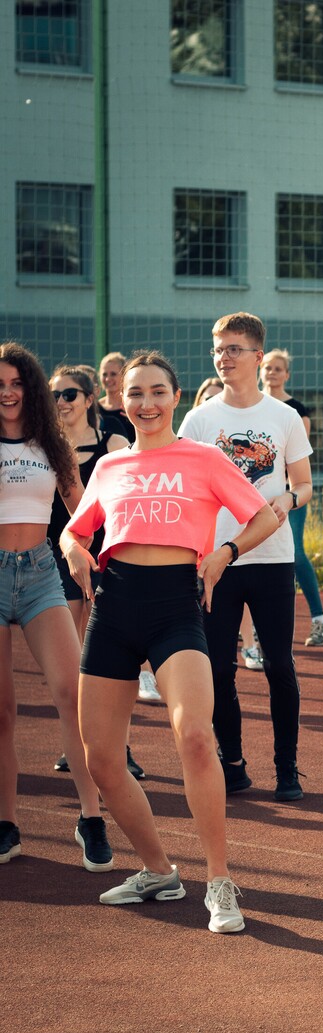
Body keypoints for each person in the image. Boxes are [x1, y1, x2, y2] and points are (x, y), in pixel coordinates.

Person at [60, 351, 279, 932]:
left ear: (176, 398)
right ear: (121, 401)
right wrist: (75, 551)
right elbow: (74, 530)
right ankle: (158, 870)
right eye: (135, 393)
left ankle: (220, 882)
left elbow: (264, 516)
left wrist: (224, 554)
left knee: (196, 736)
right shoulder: (111, 467)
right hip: (115, 605)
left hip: (177, 605)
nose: (146, 403)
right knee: (101, 758)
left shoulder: (204, 458)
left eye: (158, 391)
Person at [178, 313, 313, 802]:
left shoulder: (284, 416)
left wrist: (289, 499)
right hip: (215, 561)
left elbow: (304, 484)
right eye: (218, 349)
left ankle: (287, 768)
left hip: (272, 558)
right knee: (218, 669)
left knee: (279, 665)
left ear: (258, 356)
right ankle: (232, 763)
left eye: (233, 349)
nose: (223, 357)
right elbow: (187, 489)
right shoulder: (199, 419)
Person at [0, 342, 114, 870]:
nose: (8, 392)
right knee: (2, 710)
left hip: (42, 574)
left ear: (32, 388)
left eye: (17, 383)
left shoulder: (52, 444)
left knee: (73, 693)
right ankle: (7, 822)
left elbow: (83, 509)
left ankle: (91, 817)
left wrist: (83, 549)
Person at [47, 365, 144, 781]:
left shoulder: (114, 443)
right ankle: (77, 744)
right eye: (54, 395)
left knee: (110, 656)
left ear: (89, 399)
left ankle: (121, 747)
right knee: (71, 657)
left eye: (69, 394)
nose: (61, 402)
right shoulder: (43, 446)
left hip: (107, 556)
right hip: (59, 557)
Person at [260, 348, 323, 648]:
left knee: (296, 554)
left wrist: (287, 494)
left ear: (286, 374)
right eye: (268, 367)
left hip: (288, 495)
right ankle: (255, 630)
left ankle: (319, 619)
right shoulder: (252, 405)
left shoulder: (296, 411)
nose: (272, 372)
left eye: (278, 368)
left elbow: (295, 457)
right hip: (256, 496)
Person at [95, 351, 135, 441]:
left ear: (124, 375)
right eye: (104, 374)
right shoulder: (94, 408)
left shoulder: (132, 405)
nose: (108, 379)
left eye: (113, 374)